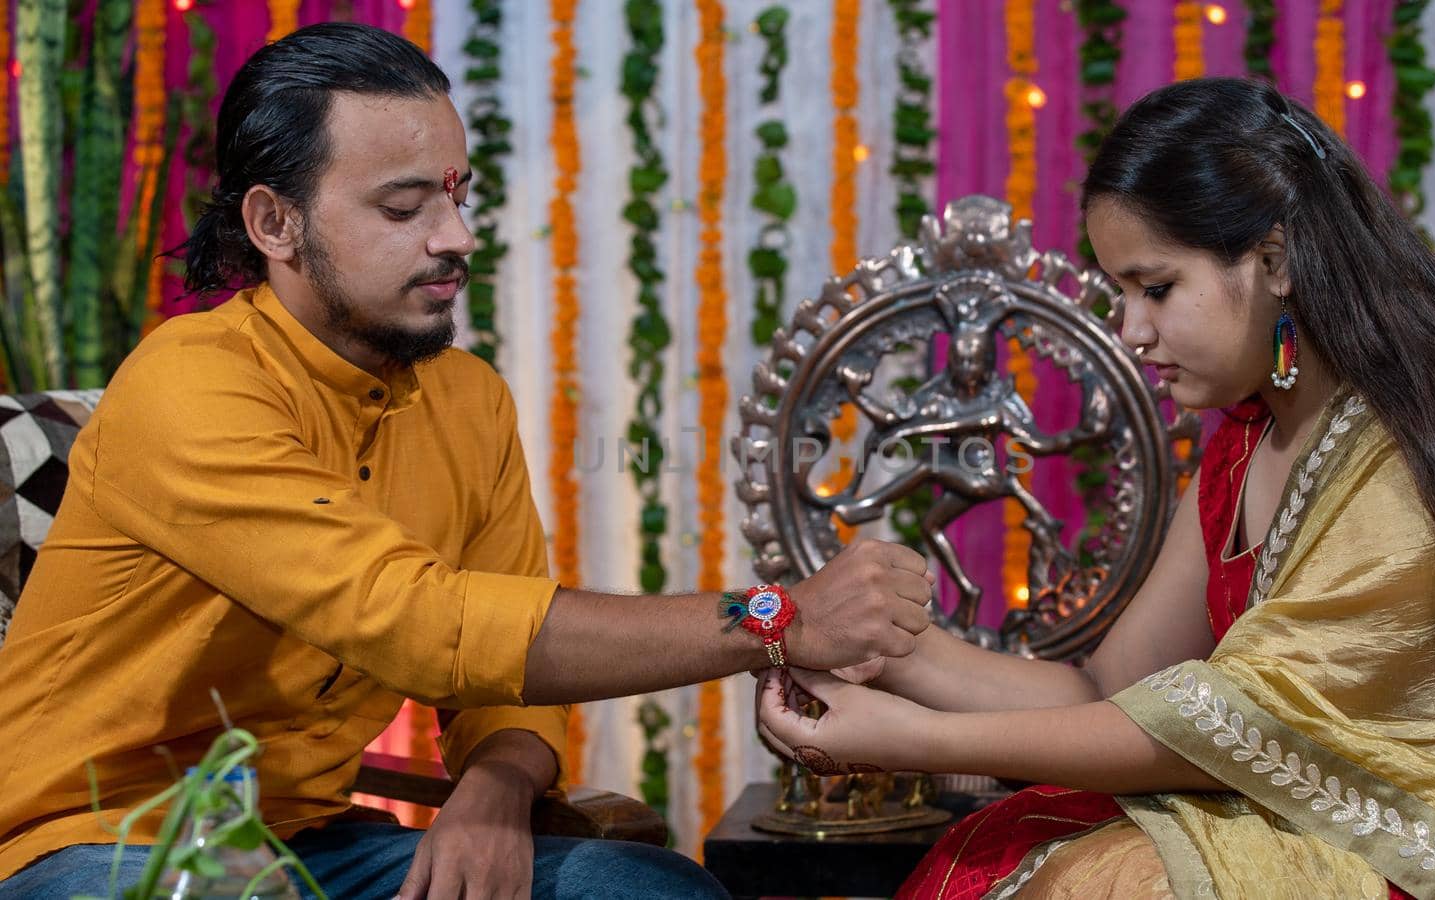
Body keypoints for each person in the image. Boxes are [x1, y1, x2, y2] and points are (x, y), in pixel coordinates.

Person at [0, 23, 935, 900]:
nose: (456, 236)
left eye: (457, 194)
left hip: (310, 840)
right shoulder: (189, 384)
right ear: (274, 224)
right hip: (99, 840)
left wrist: (495, 786)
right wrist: (775, 619)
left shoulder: (468, 399)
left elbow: (499, 676)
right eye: (404, 206)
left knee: (651, 889)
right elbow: (417, 621)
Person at [757, 77, 1435, 899]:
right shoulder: (1247, 436)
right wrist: (884, 650)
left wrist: (915, 741)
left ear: (1274, 260)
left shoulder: (1428, 436)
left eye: (1155, 288)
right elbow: (1108, 693)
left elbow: (1230, 729)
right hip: (1307, 807)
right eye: (1122, 293)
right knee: (1028, 844)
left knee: (1116, 878)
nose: (1131, 331)